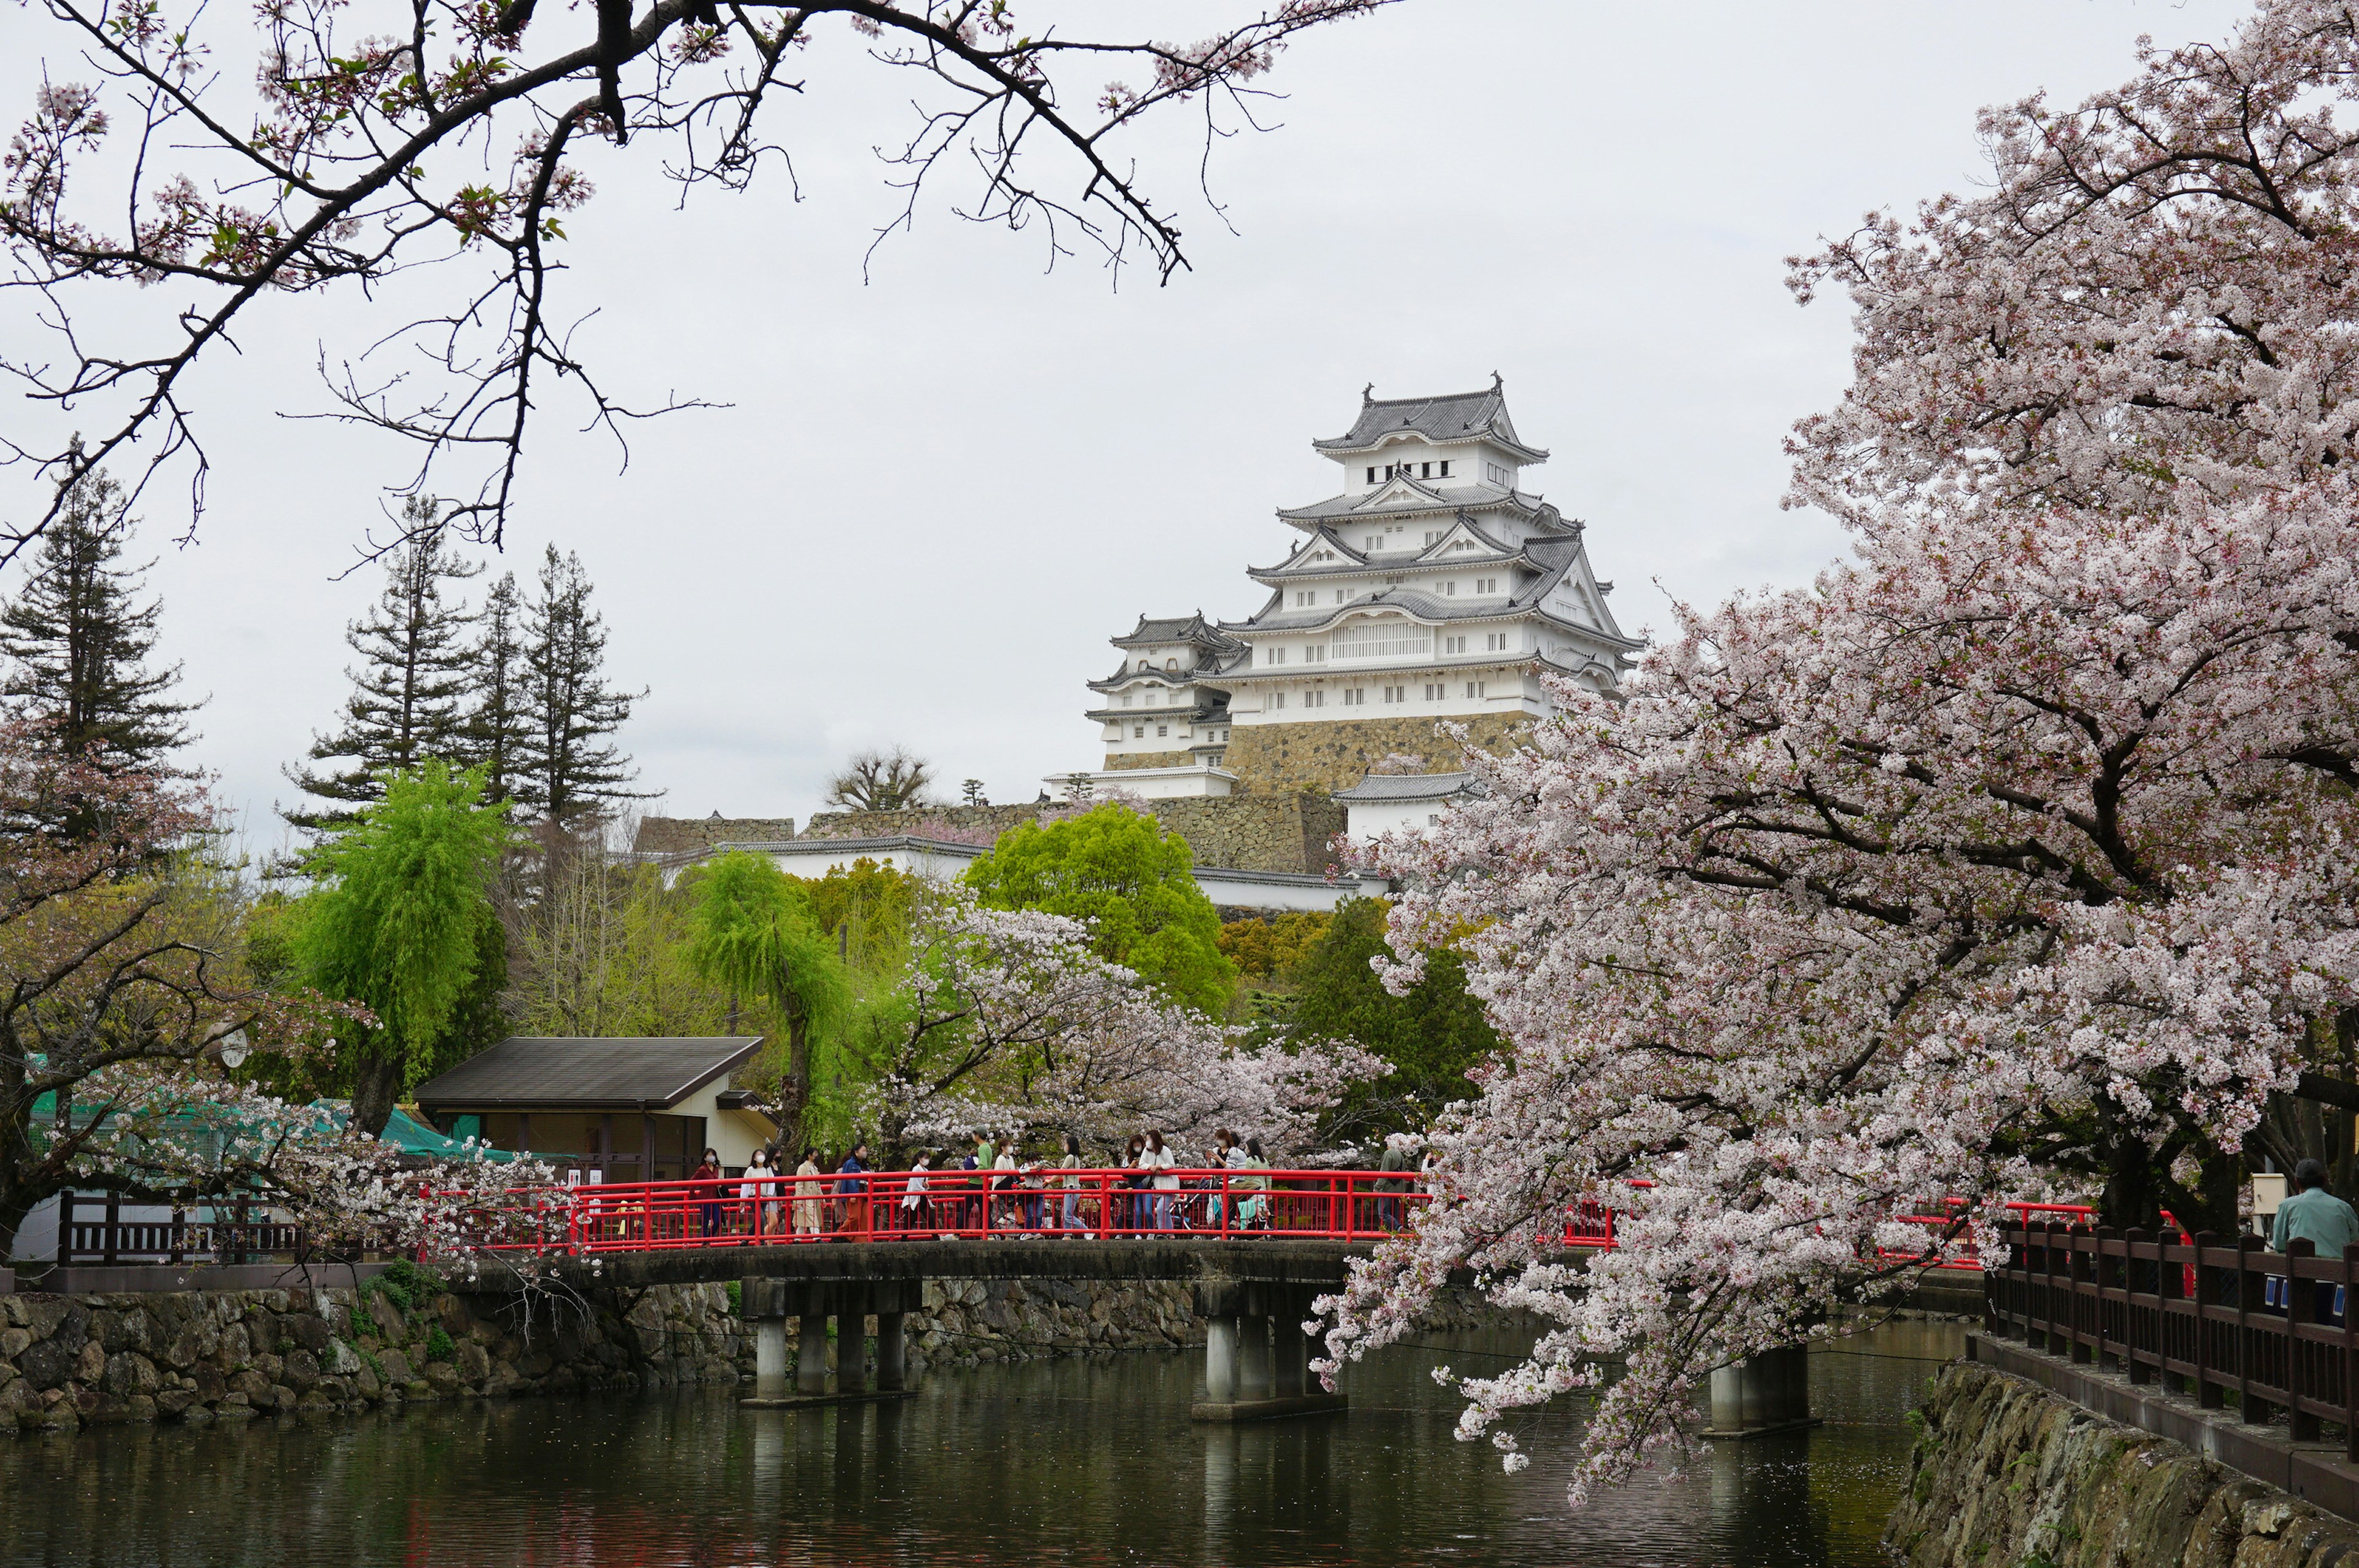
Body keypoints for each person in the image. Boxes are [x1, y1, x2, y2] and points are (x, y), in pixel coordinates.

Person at [1144, 1130, 1179, 1231]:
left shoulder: (1165, 1150)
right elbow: (1142, 1164)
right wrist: (1151, 1167)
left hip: (1169, 1185)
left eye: (1149, 1139)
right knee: (1165, 1210)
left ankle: (1161, 1232)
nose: (1147, 1142)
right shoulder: (1147, 1151)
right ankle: (1170, 1233)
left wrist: (1159, 1167)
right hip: (1157, 1185)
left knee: (1160, 1209)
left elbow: (1171, 1165)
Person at [836, 1142, 871, 1240]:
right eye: (863, 1151)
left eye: (866, 1151)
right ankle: (840, 1234)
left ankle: (861, 1241)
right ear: (856, 1152)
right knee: (854, 1216)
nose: (865, 1153)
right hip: (856, 1192)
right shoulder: (851, 1164)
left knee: (865, 1218)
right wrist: (853, 1194)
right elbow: (851, 1180)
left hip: (864, 1193)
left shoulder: (864, 1164)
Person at [1235, 1137, 1271, 1231]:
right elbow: (1269, 1178)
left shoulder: (1250, 1160)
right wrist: (1269, 1192)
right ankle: (1265, 1230)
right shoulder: (1264, 1160)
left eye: (1247, 1147)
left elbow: (1246, 1177)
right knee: (1262, 1210)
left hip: (1253, 1190)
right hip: (1263, 1190)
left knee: (1253, 1212)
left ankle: (1250, 1230)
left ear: (1250, 1148)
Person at [1057, 1133, 1087, 1236]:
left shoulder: (1070, 1157)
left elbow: (1061, 1172)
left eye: (1066, 1143)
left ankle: (1087, 1231)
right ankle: (1067, 1235)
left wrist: (1049, 1181)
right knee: (1067, 1213)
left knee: (1068, 1215)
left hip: (1071, 1188)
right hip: (1073, 1188)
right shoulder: (1076, 1158)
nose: (1065, 1145)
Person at [692, 1148, 724, 1239]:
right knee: (705, 1221)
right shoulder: (702, 1169)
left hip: (715, 1198)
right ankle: (705, 1241)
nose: (711, 1157)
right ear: (705, 1158)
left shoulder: (716, 1169)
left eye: (713, 1155)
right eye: (709, 1155)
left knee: (717, 1221)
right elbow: (692, 1182)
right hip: (704, 1198)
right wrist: (693, 1196)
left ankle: (708, 1238)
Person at [1119, 1133, 1148, 1235]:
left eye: (1138, 1144)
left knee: (1148, 1210)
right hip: (1134, 1185)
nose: (1137, 1147)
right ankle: (1138, 1232)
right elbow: (1123, 1173)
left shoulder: (1148, 1155)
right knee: (1138, 1210)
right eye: (1135, 1145)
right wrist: (1131, 1167)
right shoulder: (1128, 1158)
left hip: (1147, 1185)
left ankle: (1150, 1231)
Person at [793, 1149, 825, 1239]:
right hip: (805, 1196)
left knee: (804, 1220)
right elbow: (799, 1185)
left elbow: (818, 1185)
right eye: (815, 1153)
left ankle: (797, 1239)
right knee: (812, 1217)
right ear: (809, 1155)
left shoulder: (815, 1169)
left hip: (813, 1197)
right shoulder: (803, 1168)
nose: (817, 1155)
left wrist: (822, 1197)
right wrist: (798, 1200)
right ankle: (817, 1238)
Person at [740, 1149, 772, 1238]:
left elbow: (772, 1182)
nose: (761, 1156)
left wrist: (770, 1194)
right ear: (754, 1158)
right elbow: (746, 1185)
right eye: (758, 1155)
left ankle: (747, 1239)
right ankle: (761, 1240)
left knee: (759, 1220)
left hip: (764, 1197)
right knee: (761, 1219)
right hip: (754, 1197)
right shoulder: (751, 1170)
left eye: (762, 1154)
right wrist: (743, 1199)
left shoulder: (768, 1169)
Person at [899, 1152, 933, 1234]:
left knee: (930, 1218)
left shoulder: (925, 1170)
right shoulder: (916, 1169)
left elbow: (923, 1184)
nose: (927, 1160)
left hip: (922, 1197)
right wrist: (925, 1188)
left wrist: (926, 1187)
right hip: (916, 1197)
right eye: (925, 1158)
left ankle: (936, 1238)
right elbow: (915, 1185)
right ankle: (903, 1240)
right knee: (910, 1221)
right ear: (920, 1159)